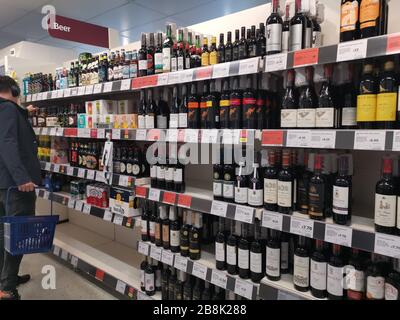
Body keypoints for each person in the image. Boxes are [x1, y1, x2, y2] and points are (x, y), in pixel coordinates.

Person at [0, 76, 41, 300]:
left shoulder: (8, 110)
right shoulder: (7, 109)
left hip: (2, 184)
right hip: (15, 186)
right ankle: (7, 289)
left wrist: (23, 111)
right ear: (13, 89)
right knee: (17, 236)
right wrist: (21, 177)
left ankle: (6, 278)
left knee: (2, 234)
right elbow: (6, 142)